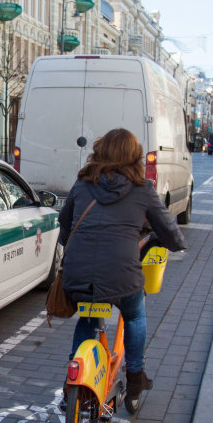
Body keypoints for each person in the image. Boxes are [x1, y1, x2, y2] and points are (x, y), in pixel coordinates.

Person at [58, 128, 186, 408]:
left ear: (100, 151)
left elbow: (64, 224)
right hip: (122, 275)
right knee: (134, 314)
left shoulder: (82, 184)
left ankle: (71, 385)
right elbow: (167, 227)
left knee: (88, 319)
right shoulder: (143, 189)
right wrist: (177, 244)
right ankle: (136, 377)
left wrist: (72, 243)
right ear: (134, 156)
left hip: (78, 274)